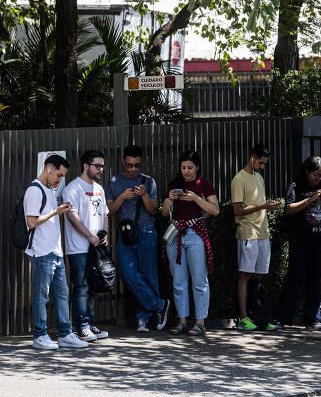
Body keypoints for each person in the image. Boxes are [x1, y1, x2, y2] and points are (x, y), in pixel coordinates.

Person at [25, 155, 89, 350]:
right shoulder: (34, 191)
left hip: (55, 252)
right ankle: (40, 335)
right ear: (48, 168)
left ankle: (65, 333)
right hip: (42, 252)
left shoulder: (49, 190)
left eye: (62, 177)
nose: (59, 179)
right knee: (41, 296)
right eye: (59, 175)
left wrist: (58, 210)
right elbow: (31, 222)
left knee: (63, 295)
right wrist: (55, 212)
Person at [107, 145, 170, 333]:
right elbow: (109, 210)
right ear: (123, 161)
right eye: (129, 165)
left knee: (149, 274)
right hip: (126, 232)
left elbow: (154, 210)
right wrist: (123, 197)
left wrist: (143, 196)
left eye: (136, 165)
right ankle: (159, 305)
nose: (133, 169)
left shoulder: (148, 181)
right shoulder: (115, 181)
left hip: (146, 231)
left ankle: (144, 318)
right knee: (127, 274)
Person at [161, 150, 220, 336]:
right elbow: (163, 213)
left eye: (190, 167)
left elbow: (215, 210)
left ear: (197, 167)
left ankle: (200, 322)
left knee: (199, 279)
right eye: (183, 167)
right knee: (178, 280)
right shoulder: (174, 185)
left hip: (195, 234)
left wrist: (195, 198)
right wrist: (170, 199)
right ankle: (182, 320)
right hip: (175, 234)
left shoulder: (204, 185)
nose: (186, 171)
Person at [275, 156, 321, 329]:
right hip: (300, 240)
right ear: (307, 172)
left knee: (316, 280)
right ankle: (283, 318)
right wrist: (310, 199)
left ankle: (313, 318)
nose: (319, 178)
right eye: (316, 174)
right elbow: (289, 209)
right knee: (295, 278)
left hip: (320, 240)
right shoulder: (296, 187)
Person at [231, 144, 280, 332]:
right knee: (245, 275)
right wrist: (263, 207)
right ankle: (243, 318)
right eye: (260, 162)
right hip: (247, 234)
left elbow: (261, 205)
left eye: (265, 162)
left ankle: (259, 316)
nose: (262, 166)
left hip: (262, 233)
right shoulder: (239, 179)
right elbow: (237, 210)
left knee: (259, 276)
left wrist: (264, 207)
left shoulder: (259, 177)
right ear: (252, 157)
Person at [63, 150, 110, 342]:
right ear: (86, 166)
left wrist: (105, 234)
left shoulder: (99, 188)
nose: (101, 169)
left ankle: (89, 323)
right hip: (79, 247)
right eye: (97, 165)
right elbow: (72, 216)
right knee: (80, 286)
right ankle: (81, 326)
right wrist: (89, 236)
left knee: (93, 286)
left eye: (102, 166)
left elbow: (105, 214)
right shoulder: (73, 188)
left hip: (96, 247)